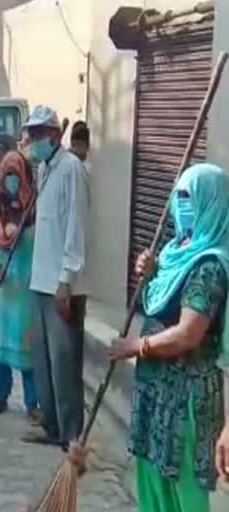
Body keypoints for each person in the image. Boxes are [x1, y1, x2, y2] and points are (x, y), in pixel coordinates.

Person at [110, 163, 229, 512]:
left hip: (186, 400)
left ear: (211, 204)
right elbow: (161, 306)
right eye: (179, 199)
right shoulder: (176, 252)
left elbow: (188, 334)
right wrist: (150, 272)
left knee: (183, 493)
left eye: (190, 200)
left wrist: (135, 347)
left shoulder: (211, 265)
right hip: (156, 391)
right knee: (152, 484)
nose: (182, 209)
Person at [22, 105, 89, 449]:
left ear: (53, 135)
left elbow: (75, 228)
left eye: (37, 134)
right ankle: (51, 424)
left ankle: (72, 434)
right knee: (43, 361)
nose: (32, 141)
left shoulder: (72, 169)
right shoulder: (45, 168)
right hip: (41, 280)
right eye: (30, 134)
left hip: (63, 285)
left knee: (65, 364)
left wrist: (66, 279)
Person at [0, 150, 39, 421]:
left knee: (26, 346)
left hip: (25, 286)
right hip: (2, 287)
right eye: (8, 175)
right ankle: (0, 395)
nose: (13, 181)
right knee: (0, 345)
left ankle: (32, 403)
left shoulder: (34, 207)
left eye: (17, 175)